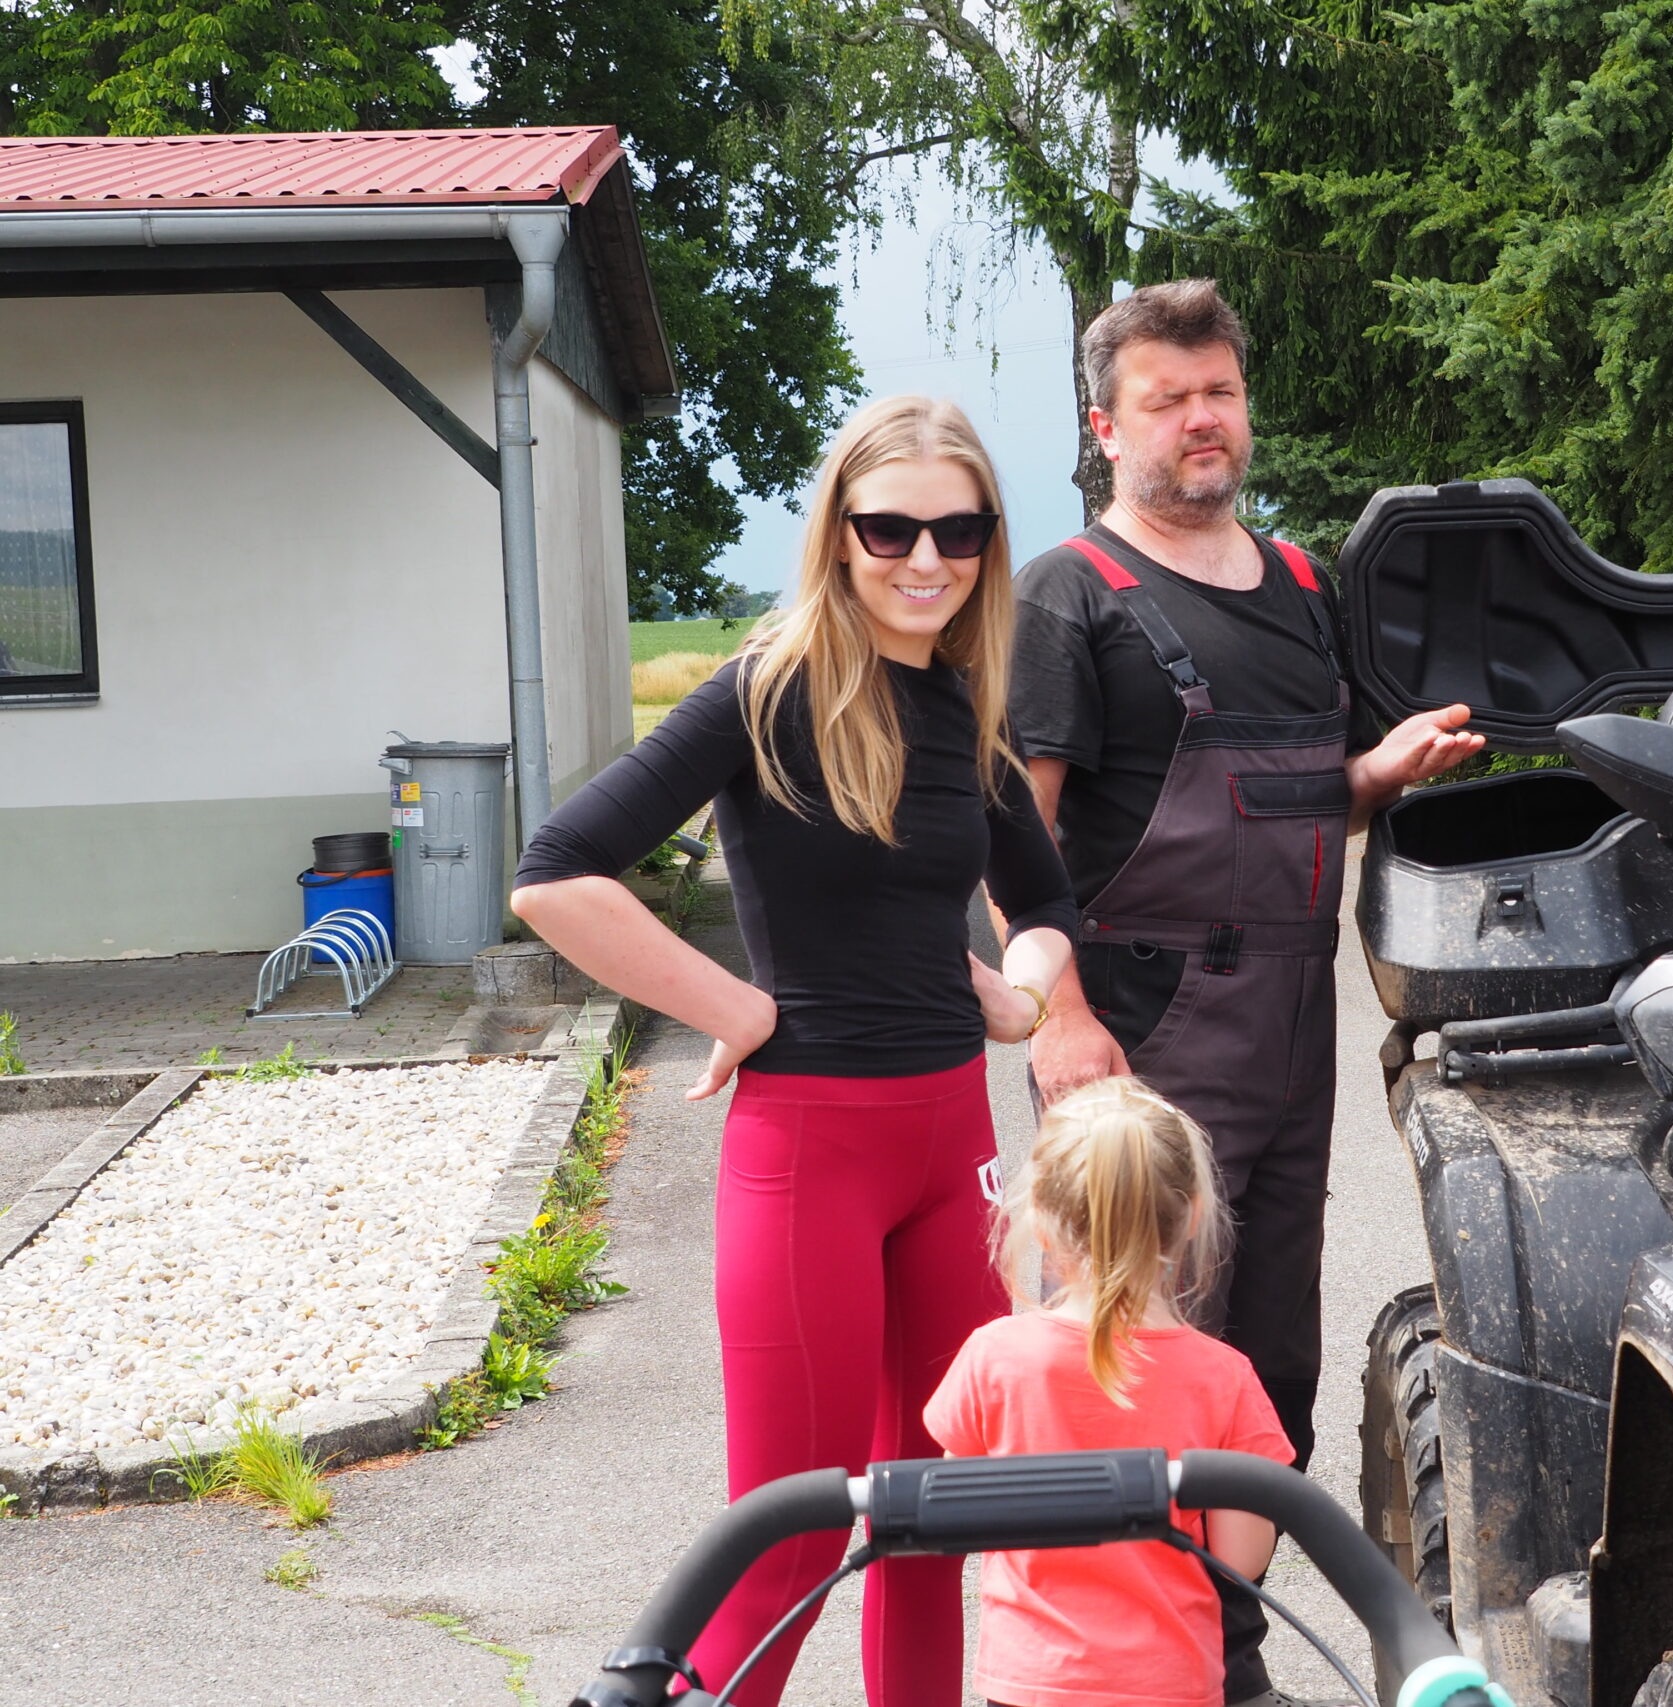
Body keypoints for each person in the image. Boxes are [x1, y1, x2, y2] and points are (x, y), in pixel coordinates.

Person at [510, 395, 1076, 1707]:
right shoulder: (765, 690)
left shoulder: (963, 704)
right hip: (811, 1147)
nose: (925, 558)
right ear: (839, 532)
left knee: (932, 1528)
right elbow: (556, 874)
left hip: (954, 1150)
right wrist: (735, 1009)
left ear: (989, 540)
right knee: (788, 1545)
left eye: (958, 530)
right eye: (891, 528)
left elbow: (1045, 904)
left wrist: (1023, 994)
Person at [1003, 278, 1483, 1702]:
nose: (1201, 419)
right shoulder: (1069, 596)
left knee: (1266, 1369)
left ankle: (1229, 1655)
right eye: (1167, 400)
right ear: (1107, 426)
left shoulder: (1301, 585)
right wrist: (1060, 1020)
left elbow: (1298, 795)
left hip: (1287, 1025)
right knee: (1130, 1360)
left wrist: (1375, 774)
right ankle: (1108, 1670)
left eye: (1218, 391)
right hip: (1138, 1039)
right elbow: (1011, 840)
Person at [925, 1076, 1297, 1707]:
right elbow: (1241, 1559)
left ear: (1042, 1224)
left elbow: (953, 1520)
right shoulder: (1224, 1377)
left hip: (1033, 1679)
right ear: (1193, 1216)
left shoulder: (995, 1356)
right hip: (1170, 1680)